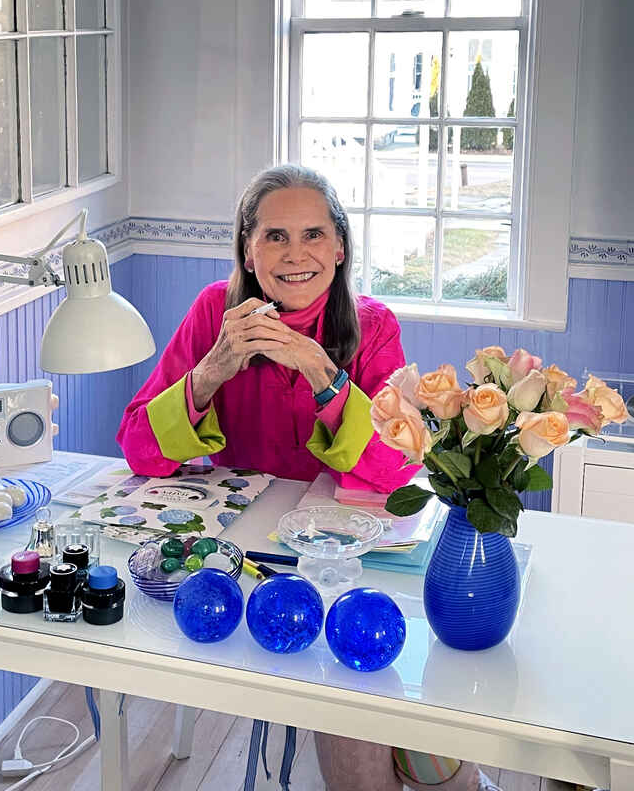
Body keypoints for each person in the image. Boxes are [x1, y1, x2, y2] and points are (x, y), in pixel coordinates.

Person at [117, 165, 503, 791]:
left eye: (313, 234)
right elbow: (137, 448)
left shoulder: (372, 325)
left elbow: (396, 467)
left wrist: (323, 373)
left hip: (357, 550)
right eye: (274, 236)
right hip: (248, 557)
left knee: (364, 667)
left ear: (340, 246)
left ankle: (441, 775)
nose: (295, 254)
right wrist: (214, 367)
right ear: (247, 247)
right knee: (353, 682)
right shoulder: (214, 311)